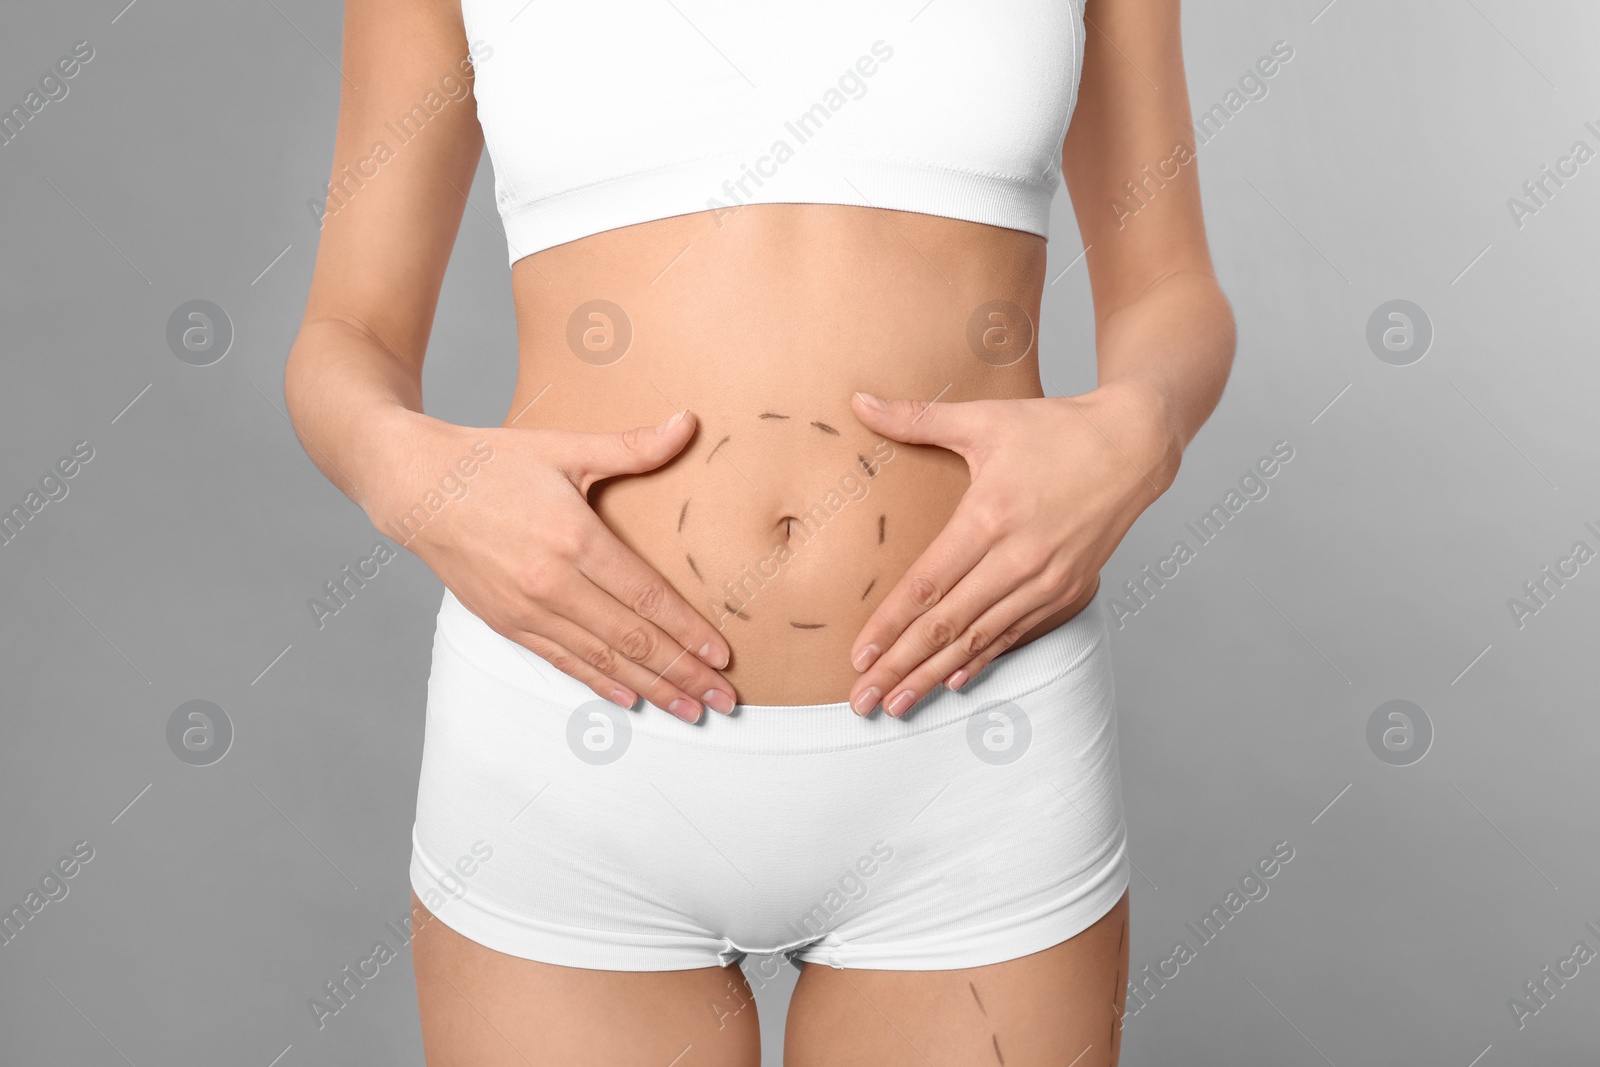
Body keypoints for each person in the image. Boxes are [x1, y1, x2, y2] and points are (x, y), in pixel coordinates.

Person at [285, 0, 1234, 1063]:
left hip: (977, 736)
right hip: (566, 746)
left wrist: (1140, 426)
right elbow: (346, 333)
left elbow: (1170, 289)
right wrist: (412, 475)